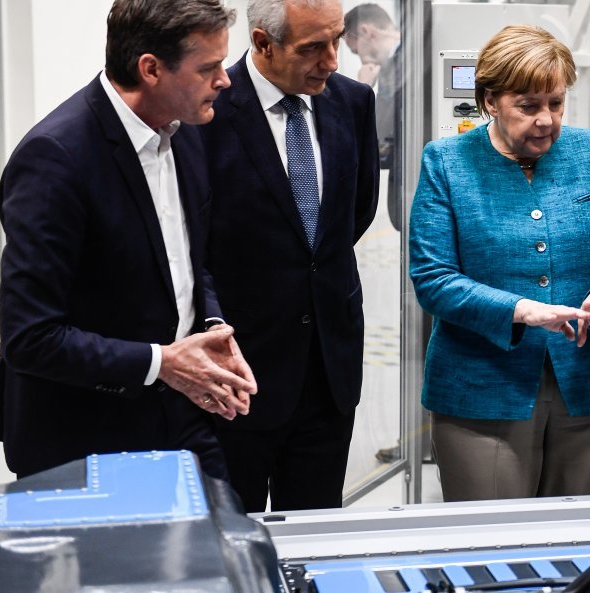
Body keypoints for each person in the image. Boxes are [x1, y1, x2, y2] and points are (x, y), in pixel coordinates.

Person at [0, 0, 256, 480]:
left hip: (181, 418)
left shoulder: (184, 132)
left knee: (223, 524)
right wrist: (162, 363)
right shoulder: (55, 159)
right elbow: (29, 337)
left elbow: (187, 262)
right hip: (84, 438)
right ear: (151, 69)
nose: (225, 80)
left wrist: (212, 326)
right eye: (208, 67)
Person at [409, 25, 590, 502]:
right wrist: (522, 310)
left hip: (581, 384)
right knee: (493, 536)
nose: (546, 120)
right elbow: (433, 279)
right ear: (490, 100)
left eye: (556, 103)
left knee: (574, 535)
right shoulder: (447, 162)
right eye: (528, 106)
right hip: (482, 392)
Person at [201, 0, 379, 512]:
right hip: (238, 373)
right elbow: (193, 243)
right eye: (313, 47)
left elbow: (355, 213)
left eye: (337, 39)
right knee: (232, 533)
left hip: (328, 371)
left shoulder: (353, 102)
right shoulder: (208, 110)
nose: (333, 60)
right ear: (263, 43)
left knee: (317, 529)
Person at [344, 3, 402, 231]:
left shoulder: (401, 64)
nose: (361, 60)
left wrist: (362, 89)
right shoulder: (397, 63)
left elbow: (379, 135)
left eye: (356, 51)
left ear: (367, 32)